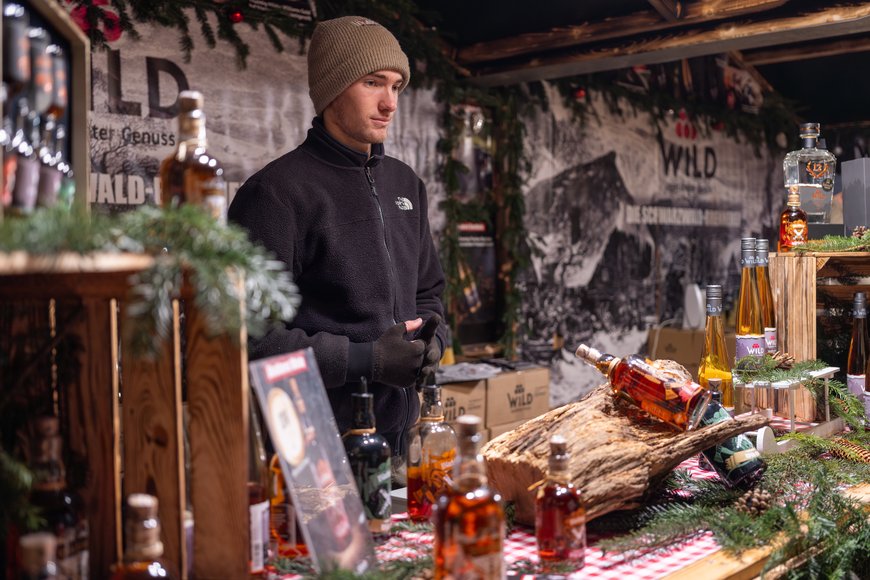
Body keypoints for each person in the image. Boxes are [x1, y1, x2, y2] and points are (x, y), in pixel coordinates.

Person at [228, 15, 446, 460]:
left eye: (397, 86)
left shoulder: (407, 185)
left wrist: (431, 344)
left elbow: (429, 292)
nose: (389, 103)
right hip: (310, 446)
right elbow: (248, 338)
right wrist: (367, 360)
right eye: (373, 83)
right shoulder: (275, 194)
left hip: (398, 440)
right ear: (332, 89)